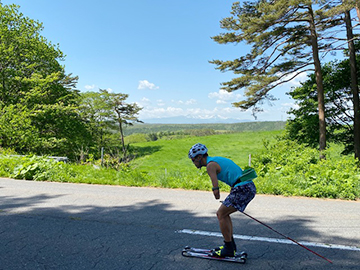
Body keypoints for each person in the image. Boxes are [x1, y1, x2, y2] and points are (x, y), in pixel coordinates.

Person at [188, 143, 256, 258]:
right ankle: (231, 246)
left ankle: (228, 248)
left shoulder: (210, 166)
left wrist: (216, 193)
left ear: (199, 157)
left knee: (220, 214)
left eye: (193, 160)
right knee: (224, 214)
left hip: (242, 189)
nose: (193, 163)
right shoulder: (215, 160)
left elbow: (216, 191)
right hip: (246, 186)